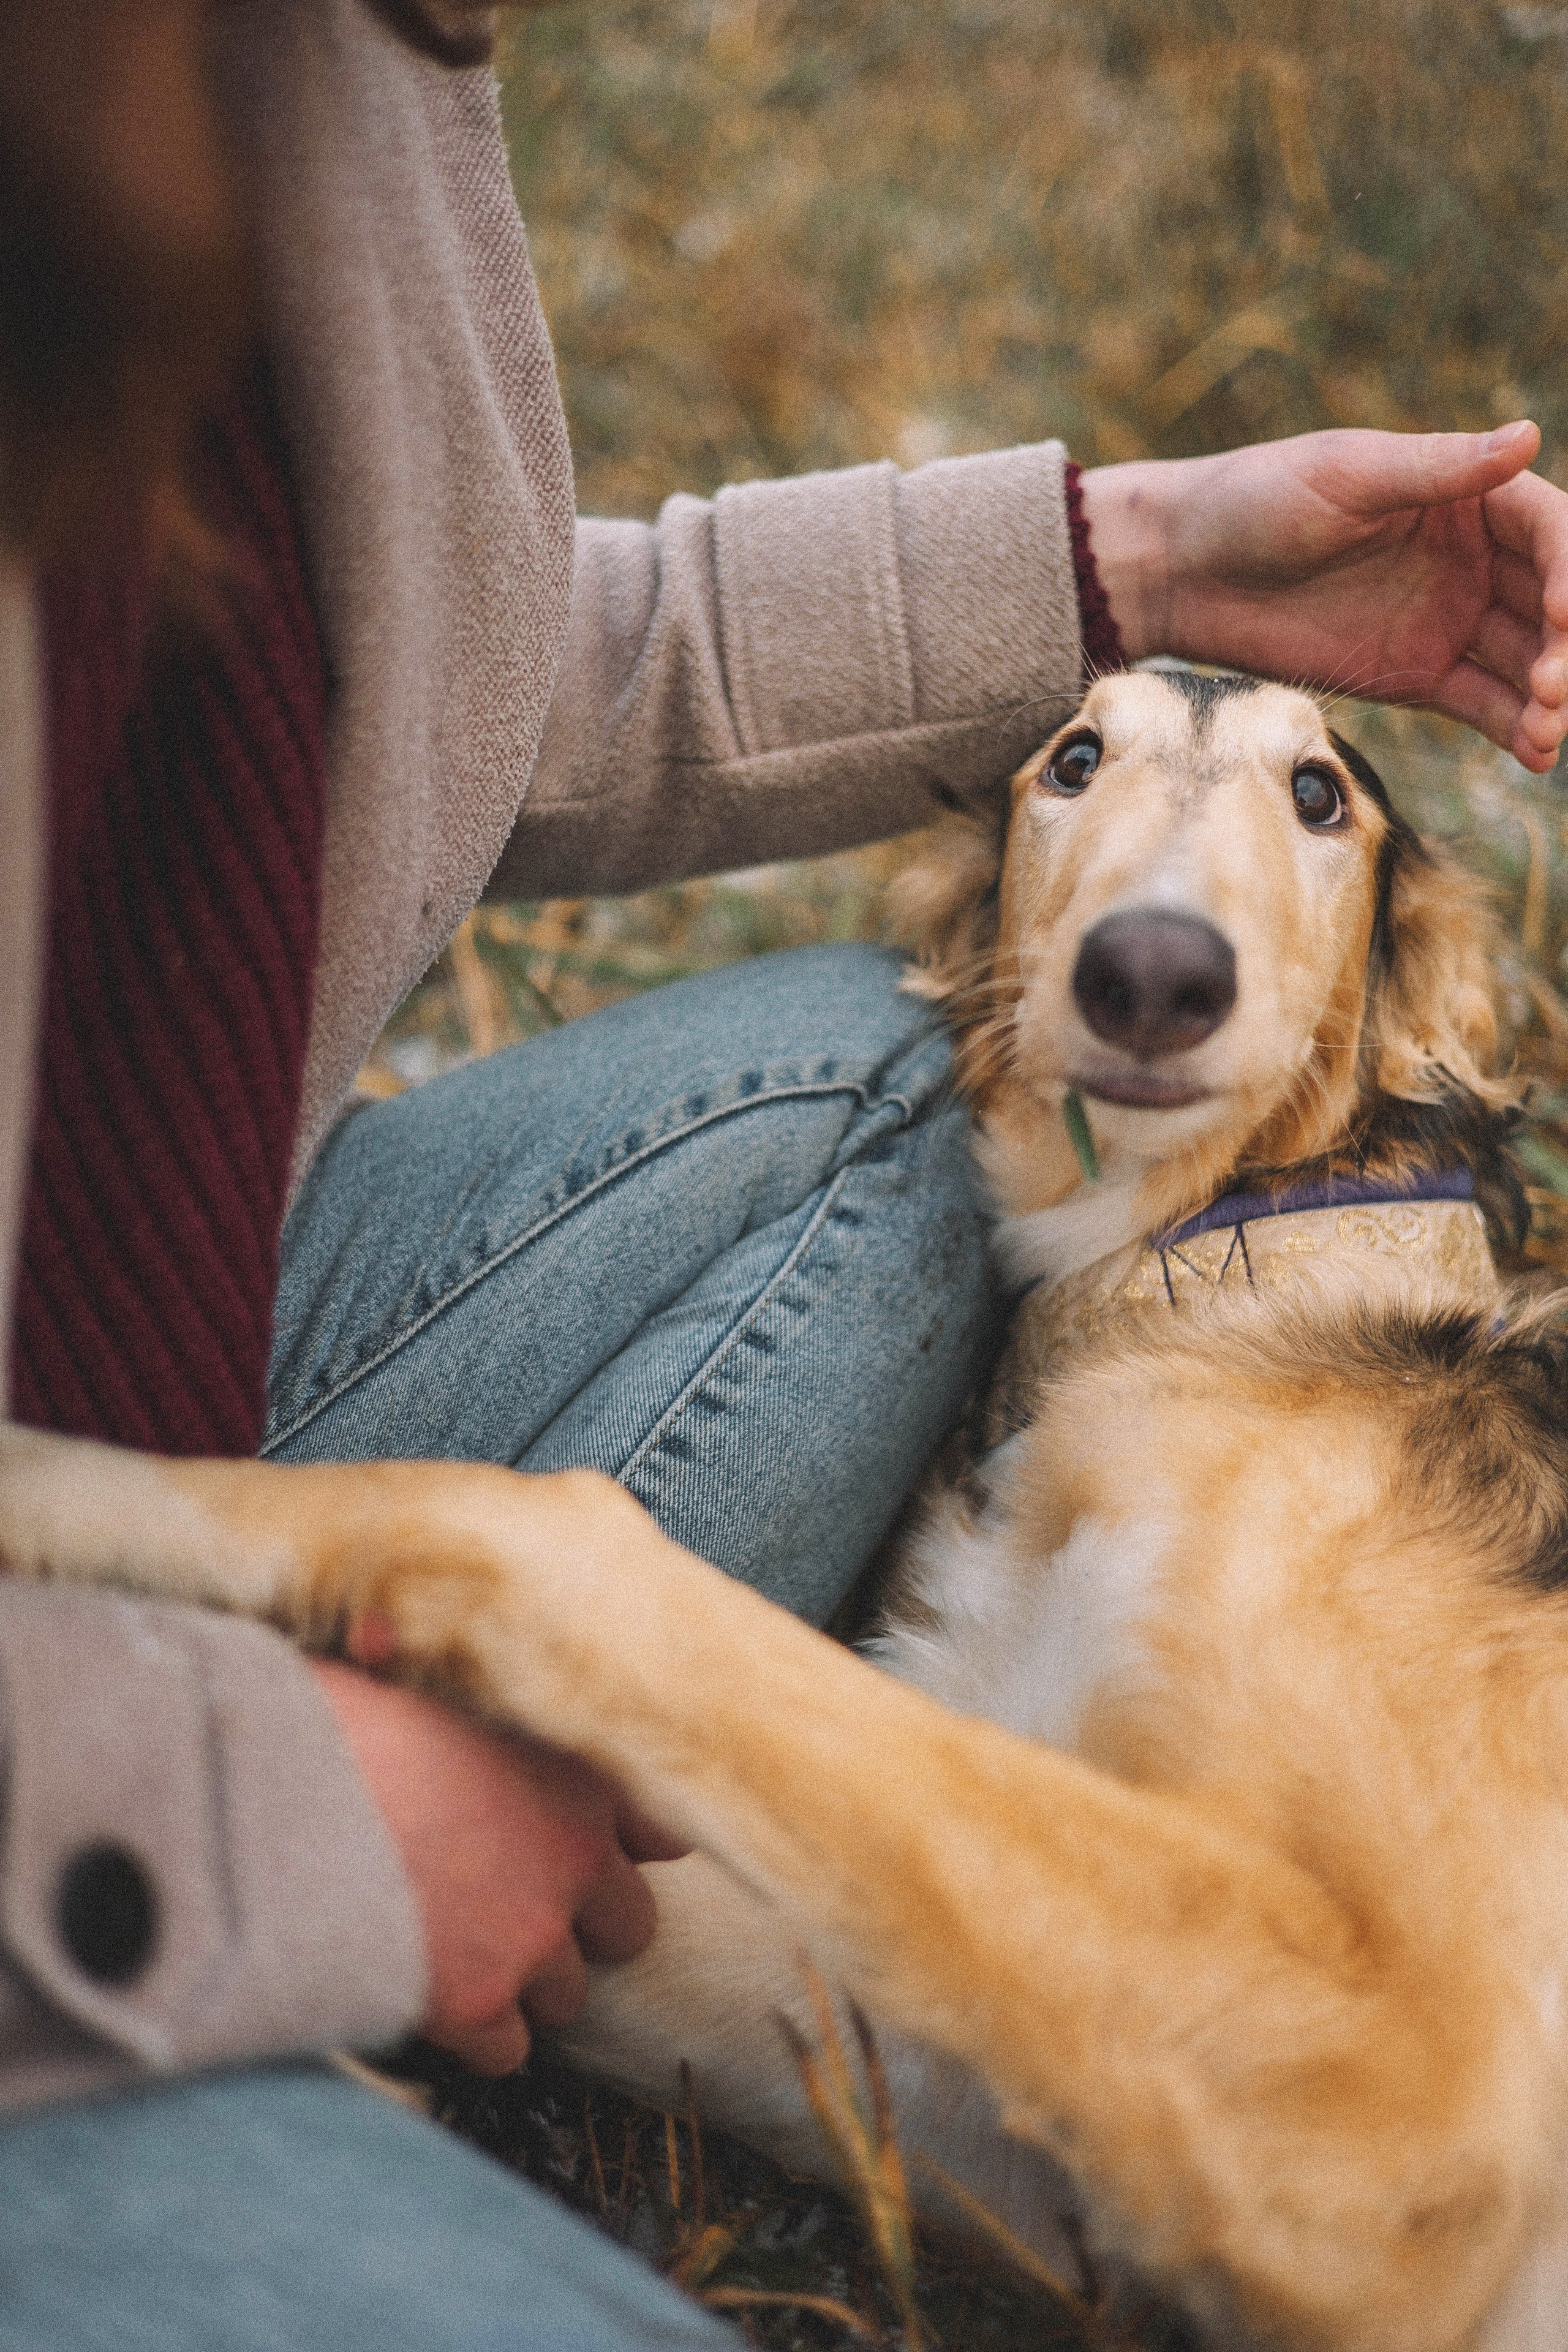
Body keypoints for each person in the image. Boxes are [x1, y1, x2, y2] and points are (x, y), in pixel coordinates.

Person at [1, 4, 1566, 2346]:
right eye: (1079, 780)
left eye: (1309, 809)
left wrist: (1123, 550)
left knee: (858, 1088)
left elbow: (448, 665)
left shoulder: (334, 72)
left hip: (157, 1382)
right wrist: (299, 1809)